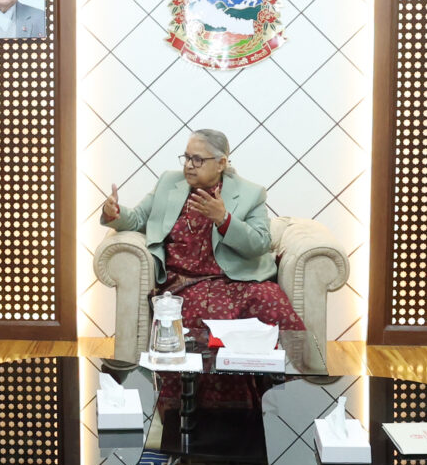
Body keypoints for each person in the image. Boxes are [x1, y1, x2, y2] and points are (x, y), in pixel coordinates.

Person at [99, 128, 302, 333]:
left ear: (221, 163)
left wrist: (224, 220)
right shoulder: (168, 183)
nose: (189, 165)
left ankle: (285, 356)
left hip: (238, 280)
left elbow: (261, 243)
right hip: (183, 282)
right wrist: (114, 213)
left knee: (273, 302)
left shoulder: (251, 193)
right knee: (200, 316)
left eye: (197, 160)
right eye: (187, 158)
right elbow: (137, 219)